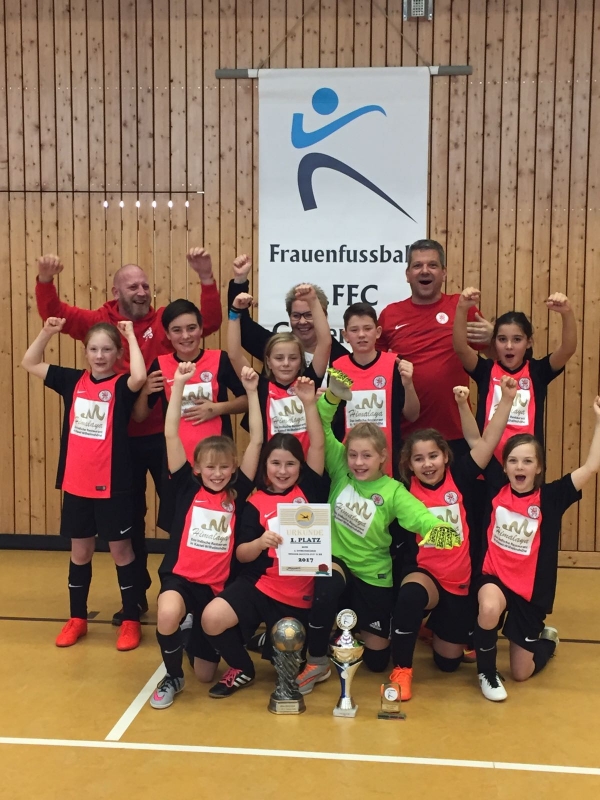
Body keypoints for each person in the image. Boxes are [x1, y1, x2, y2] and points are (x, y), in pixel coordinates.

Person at [35, 249, 222, 623]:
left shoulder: (163, 322)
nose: (141, 292)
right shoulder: (99, 321)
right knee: (130, 523)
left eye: (145, 286)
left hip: (167, 440)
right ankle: (134, 600)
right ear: (116, 291)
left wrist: (206, 279)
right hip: (119, 445)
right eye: (133, 286)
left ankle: (185, 591)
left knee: (180, 514)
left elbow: (210, 322)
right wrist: (45, 280)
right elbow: (54, 312)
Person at [296, 374, 459, 694]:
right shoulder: (341, 468)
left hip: (374, 575)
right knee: (327, 585)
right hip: (339, 561)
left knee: (376, 661)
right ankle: (316, 661)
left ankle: (347, 633)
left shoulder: (393, 491)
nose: (358, 462)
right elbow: (321, 430)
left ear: (383, 457)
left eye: (366, 455)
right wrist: (329, 399)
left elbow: (421, 517)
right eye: (353, 454)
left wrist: (440, 532)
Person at [21, 317, 147, 650]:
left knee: (121, 551)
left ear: (117, 353)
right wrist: (47, 332)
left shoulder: (121, 386)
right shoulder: (71, 381)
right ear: (86, 352)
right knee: (80, 552)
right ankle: (77, 618)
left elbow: (139, 376)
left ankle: (131, 620)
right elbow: (29, 362)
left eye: (107, 349)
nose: (100, 356)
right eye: (94, 349)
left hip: (114, 485)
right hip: (77, 485)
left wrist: (131, 335)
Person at [389, 377, 517, 701]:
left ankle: (430, 628)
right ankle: (402, 670)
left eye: (433, 456)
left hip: (458, 582)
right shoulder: (402, 491)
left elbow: (489, 441)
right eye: (419, 459)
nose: (427, 464)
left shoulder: (460, 477)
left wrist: (506, 399)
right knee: (410, 595)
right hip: (425, 575)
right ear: (409, 465)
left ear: (445, 457)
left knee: (448, 663)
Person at [200, 376, 327, 698]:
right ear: (265, 465)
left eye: (290, 464)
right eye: (275, 463)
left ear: (300, 466)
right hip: (261, 585)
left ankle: (265, 640)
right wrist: (259, 543)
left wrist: (308, 403)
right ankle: (242, 667)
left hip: (299, 595)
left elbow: (318, 444)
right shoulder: (255, 501)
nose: (282, 471)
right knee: (212, 618)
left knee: (289, 667)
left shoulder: (309, 489)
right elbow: (241, 553)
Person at [149, 363, 262, 709]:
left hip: (216, 589)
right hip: (182, 580)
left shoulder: (237, 493)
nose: (217, 473)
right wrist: (179, 385)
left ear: (234, 466)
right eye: (210, 467)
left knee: (205, 673)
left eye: (224, 466)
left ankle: (191, 631)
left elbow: (257, 440)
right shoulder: (186, 486)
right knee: (166, 614)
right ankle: (172, 676)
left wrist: (252, 392)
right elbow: (171, 434)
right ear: (197, 467)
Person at [474, 397, 600, 702]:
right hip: (495, 579)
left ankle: (547, 642)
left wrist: (599, 420)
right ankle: (486, 673)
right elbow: (477, 440)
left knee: (521, 672)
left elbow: (591, 466)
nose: (520, 466)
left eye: (528, 461)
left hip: (529, 594)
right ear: (505, 467)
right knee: (488, 607)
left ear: (539, 467)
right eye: (513, 460)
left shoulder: (551, 497)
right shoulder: (495, 488)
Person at [132, 299, 248, 531]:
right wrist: (144, 392)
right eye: (177, 330)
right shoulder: (160, 365)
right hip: (178, 464)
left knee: (219, 527)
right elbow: (139, 416)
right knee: (180, 527)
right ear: (167, 334)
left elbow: (247, 400)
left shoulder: (220, 359)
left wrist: (217, 408)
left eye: (191, 328)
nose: (185, 336)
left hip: (217, 465)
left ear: (201, 328)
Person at [376, 239, 492, 459]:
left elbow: (494, 362)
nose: (424, 271)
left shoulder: (462, 308)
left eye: (432, 265)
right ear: (407, 274)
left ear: (444, 273)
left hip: (457, 432)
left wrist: (492, 337)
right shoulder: (390, 314)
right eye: (417, 265)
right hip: (407, 434)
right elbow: (373, 366)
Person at [453, 288, 577, 461]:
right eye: (502, 339)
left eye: (517, 339)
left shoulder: (537, 372)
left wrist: (567, 313)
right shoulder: (485, 371)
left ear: (529, 342)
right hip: (487, 462)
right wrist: (461, 308)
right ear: (494, 342)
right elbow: (460, 348)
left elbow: (567, 349)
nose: (509, 346)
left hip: (526, 463)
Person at [227, 285, 331, 454]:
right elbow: (234, 354)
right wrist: (234, 313)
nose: (286, 363)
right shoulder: (259, 386)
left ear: (301, 361)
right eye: (279, 358)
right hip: (271, 464)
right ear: (268, 362)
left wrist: (313, 300)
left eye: (293, 358)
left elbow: (325, 342)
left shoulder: (308, 383)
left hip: (306, 463)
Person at [332, 301, 418, 477]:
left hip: (389, 463)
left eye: (367, 328)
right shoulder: (337, 368)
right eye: (354, 330)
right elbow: (332, 421)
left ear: (378, 332)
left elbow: (412, 415)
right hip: (350, 465)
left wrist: (408, 385)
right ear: (345, 335)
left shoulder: (394, 364)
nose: (361, 335)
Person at [227, 254, 348, 377]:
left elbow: (351, 387)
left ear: (322, 315)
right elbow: (242, 328)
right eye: (296, 315)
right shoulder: (275, 346)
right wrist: (240, 281)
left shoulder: (342, 358)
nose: (302, 321)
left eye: (308, 315)